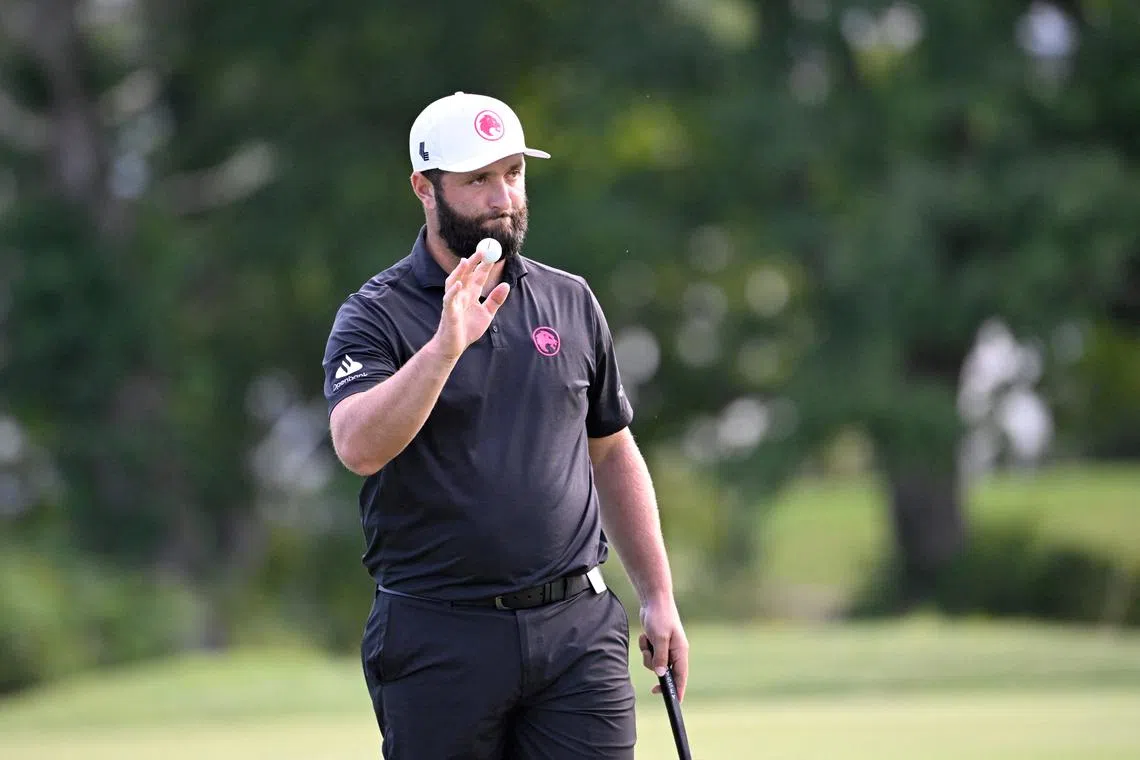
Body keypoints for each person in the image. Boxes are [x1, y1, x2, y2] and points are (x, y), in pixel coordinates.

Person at [321, 91, 689, 760]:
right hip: (439, 635)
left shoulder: (568, 299)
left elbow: (610, 452)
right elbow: (357, 446)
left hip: (576, 630)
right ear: (424, 189)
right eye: (478, 180)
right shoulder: (375, 315)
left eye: (513, 173)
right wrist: (443, 348)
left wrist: (658, 595)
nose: (502, 197)